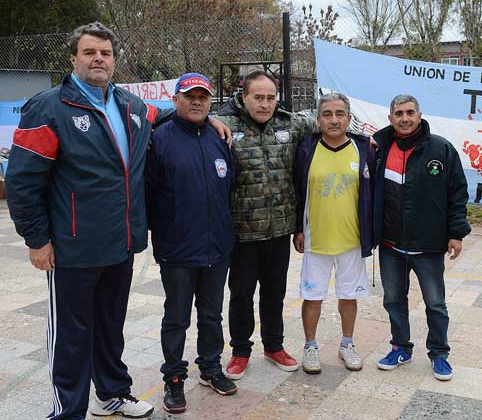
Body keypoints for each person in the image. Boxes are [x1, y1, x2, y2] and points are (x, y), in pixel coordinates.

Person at [5, 22, 155, 419]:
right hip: (72, 247)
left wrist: (211, 120)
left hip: (120, 244)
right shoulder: (49, 106)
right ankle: (68, 410)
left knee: (110, 327)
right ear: (73, 59)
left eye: (105, 53)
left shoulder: (132, 106)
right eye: (89, 52)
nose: (98, 59)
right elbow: (22, 180)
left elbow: (174, 118)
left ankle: (113, 394)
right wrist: (37, 239)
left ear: (115, 59)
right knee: (72, 337)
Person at [145, 73, 237, 414]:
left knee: (212, 315)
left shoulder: (220, 139)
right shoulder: (159, 140)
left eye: (203, 97)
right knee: (177, 318)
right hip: (178, 250)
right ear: (176, 100)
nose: (197, 102)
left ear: (210, 102)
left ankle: (210, 368)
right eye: (189, 96)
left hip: (217, 248)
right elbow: (147, 194)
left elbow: (229, 188)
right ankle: (173, 379)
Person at [218, 70, 317, 380]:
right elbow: (179, 117)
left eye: (270, 98)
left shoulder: (291, 123)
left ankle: (274, 346)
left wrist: (372, 142)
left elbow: (330, 123)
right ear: (243, 97)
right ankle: (240, 352)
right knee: (241, 293)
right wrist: (210, 119)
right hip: (242, 231)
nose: (264, 104)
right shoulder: (223, 125)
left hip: (279, 230)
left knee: (274, 292)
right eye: (258, 97)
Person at [372, 94, 471, 381]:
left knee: (435, 304)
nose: (404, 118)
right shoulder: (379, 148)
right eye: (398, 113)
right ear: (390, 118)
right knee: (393, 300)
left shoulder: (441, 149)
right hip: (390, 244)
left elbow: (458, 193)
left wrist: (456, 233)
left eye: (410, 113)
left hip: (428, 244)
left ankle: (439, 354)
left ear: (419, 115)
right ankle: (400, 347)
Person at [292, 93, 375, 374]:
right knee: (312, 296)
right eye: (327, 114)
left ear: (349, 119)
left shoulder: (364, 149)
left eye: (340, 114)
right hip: (316, 238)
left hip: (352, 239)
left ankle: (347, 343)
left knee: (348, 295)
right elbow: (296, 192)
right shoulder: (306, 150)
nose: (334, 119)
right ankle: (310, 346)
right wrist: (297, 229)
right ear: (318, 120)